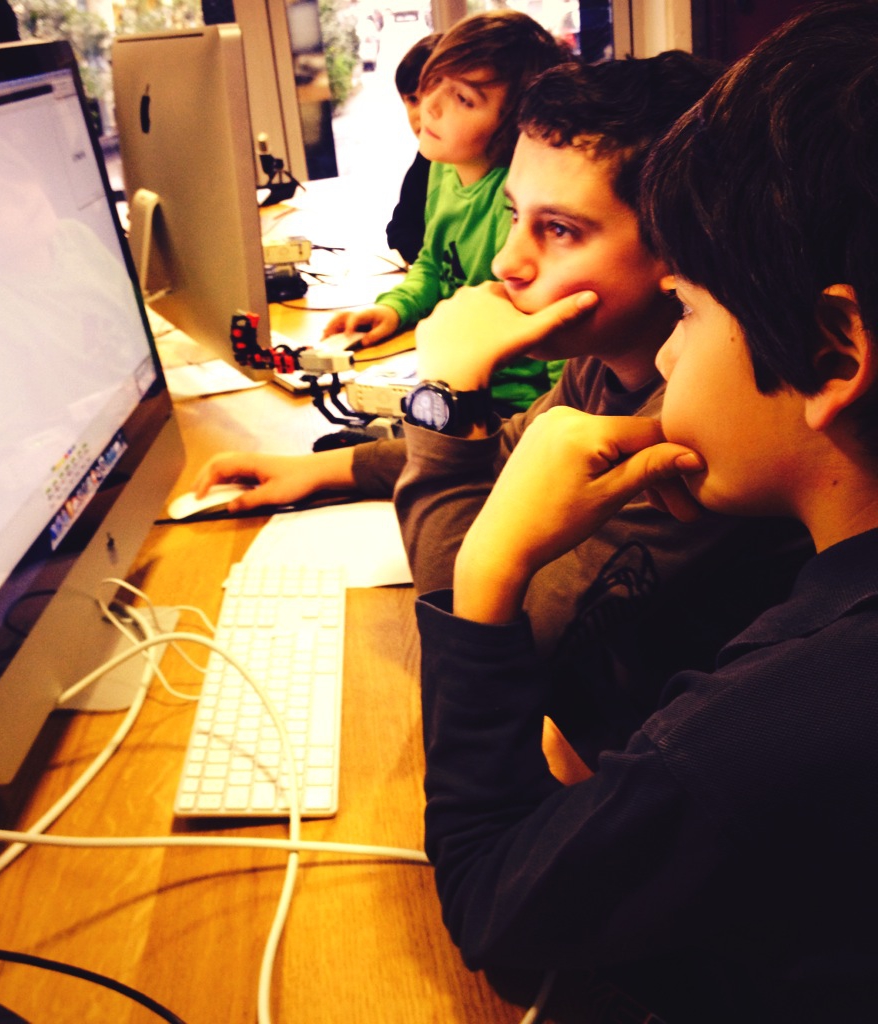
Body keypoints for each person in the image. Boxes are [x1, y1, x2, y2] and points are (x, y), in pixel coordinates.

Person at [416, 3, 878, 1021]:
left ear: (833, 353)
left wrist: (484, 574)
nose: (670, 349)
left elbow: (498, 910)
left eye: (694, 308)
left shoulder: (775, 713)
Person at [199, 52, 808, 760]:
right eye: (515, 215)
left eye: (560, 230)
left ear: (679, 250)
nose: (506, 263)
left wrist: (446, 390)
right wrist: (326, 471)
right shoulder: (604, 365)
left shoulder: (690, 437)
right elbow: (508, 452)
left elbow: (475, 629)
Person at [325, 9, 569, 411]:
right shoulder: (443, 168)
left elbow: (560, 334)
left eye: (463, 99)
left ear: (513, 123)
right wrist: (393, 308)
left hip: (510, 405)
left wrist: (552, 418)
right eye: (434, 82)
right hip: (447, 377)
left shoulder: (520, 203)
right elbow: (432, 264)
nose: (430, 105)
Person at [385, 32, 442, 266]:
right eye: (412, 100)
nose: (422, 114)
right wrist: (428, 265)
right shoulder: (427, 158)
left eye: (432, 98)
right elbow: (399, 228)